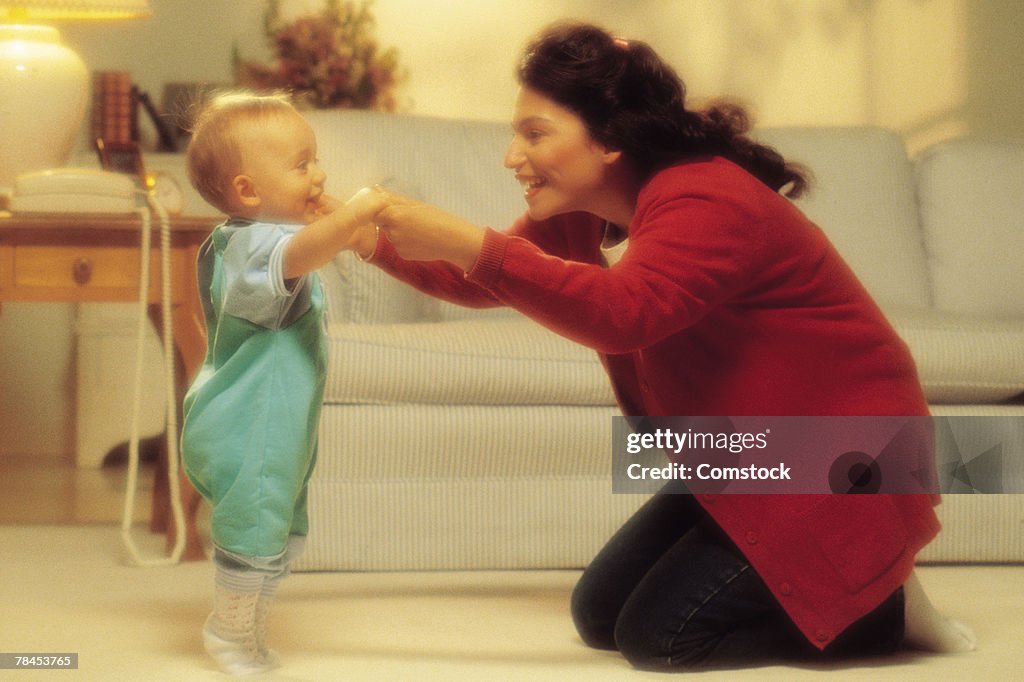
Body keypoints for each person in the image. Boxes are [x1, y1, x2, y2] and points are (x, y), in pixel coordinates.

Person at [368, 22, 977, 671]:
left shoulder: (707, 197)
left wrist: (465, 238)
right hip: (751, 453)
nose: (512, 156)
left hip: (839, 450)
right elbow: (483, 279)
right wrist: (367, 240)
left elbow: (625, 314)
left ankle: (880, 612)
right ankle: (853, 589)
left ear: (606, 136)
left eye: (535, 133)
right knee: (598, 616)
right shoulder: (587, 212)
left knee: (660, 639)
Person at [181, 92, 382, 675]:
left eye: (315, 159)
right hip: (248, 426)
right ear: (247, 192)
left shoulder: (264, 240)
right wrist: (351, 217)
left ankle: (250, 628)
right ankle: (229, 632)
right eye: (302, 165)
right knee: (253, 529)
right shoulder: (251, 246)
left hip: (277, 426)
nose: (318, 174)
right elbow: (299, 254)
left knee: (277, 530)